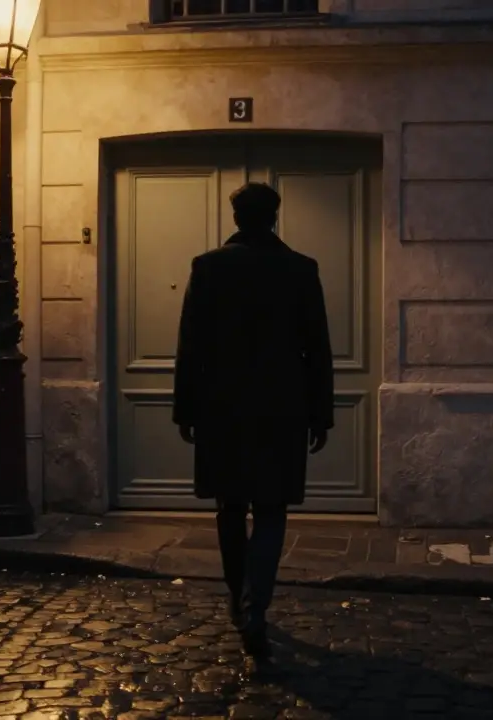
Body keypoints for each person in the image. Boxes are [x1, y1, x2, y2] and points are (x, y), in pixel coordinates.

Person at [172, 182, 335, 660]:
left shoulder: (209, 267)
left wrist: (186, 409)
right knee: (271, 509)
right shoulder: (301, 269)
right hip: (282, 407)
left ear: (236, 218)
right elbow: (317, 349)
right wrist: (320, 414)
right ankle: (255, 605)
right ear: (275, 217)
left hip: (222, 407)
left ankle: (236, 601)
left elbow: (190, 346)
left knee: (229, 506)